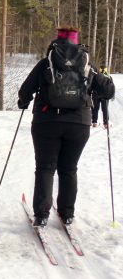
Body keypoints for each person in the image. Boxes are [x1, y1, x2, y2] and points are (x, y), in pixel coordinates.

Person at [18, 25, 115, 227]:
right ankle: (67, 213)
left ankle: (42, 214)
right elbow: (107, 90)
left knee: (45, 168)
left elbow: (25, 89)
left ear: (57, 41)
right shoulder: (87, 63)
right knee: (69, 169)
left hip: (47, 122)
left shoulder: (47, 62)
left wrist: (23, 101)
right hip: (79, 124)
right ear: (76, 40)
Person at [92, 65, 111, 129]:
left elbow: (92, 84)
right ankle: (105, 123)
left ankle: (94, 122)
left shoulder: (96, 75)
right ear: (105, 69)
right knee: (104, 109)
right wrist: (110, 94)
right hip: (104, 95)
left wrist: (89, 92)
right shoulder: (108, 76)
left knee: (95, 108)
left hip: (96, 95)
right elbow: (111, 87)